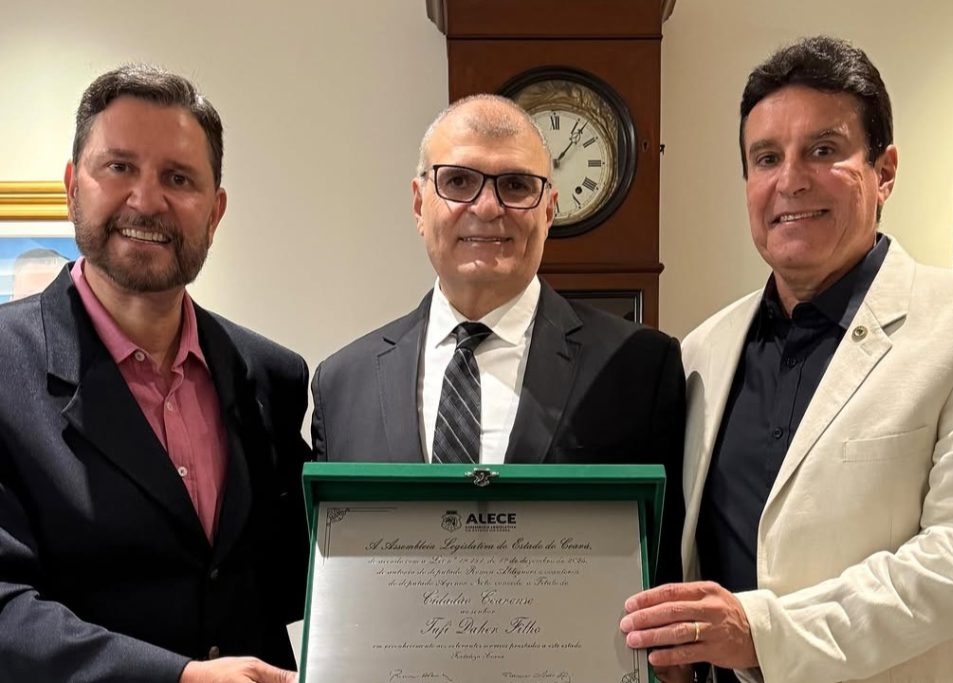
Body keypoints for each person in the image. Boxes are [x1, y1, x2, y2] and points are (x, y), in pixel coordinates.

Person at [620, 36, 953, 683]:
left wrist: (762, 634)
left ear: (884, 171)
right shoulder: (701, 351)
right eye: (766, 158)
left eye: (824, 150)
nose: (790, 180)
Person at [0, 65, 311, 683]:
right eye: (119, 167)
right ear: (72, 186)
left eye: (178, 178)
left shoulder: (270, 375)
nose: (146, 201)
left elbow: (291, 572)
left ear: (215, 211)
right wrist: (179, 677)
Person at [311, 94, 685, 585]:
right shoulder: (342, 384)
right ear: (419, 204)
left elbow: (665, 569)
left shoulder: (640, 370)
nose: (487, 207)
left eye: (515, 185)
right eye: (458, 182)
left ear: (548, 211)